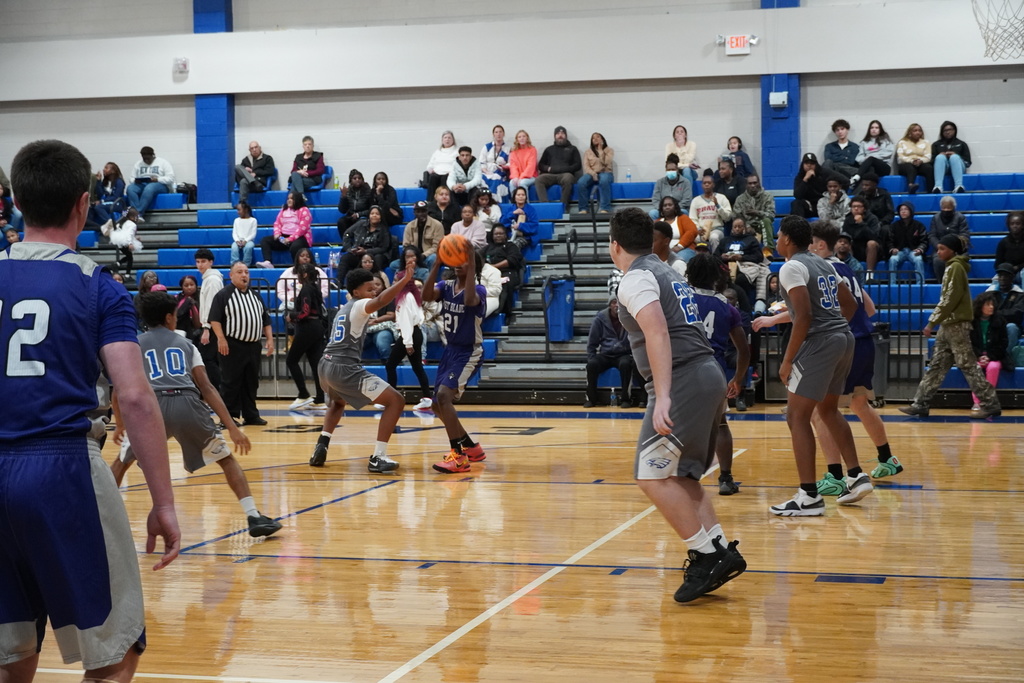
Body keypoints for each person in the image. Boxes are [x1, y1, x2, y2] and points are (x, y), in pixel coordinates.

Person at [0, 138, 179, 683]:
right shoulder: (97, 286)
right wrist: (164, 502)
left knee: (12, 651)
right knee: (115, 651)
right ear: (84, 204)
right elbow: (133, 395)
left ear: (16, 203)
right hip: (62, 469)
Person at [608, 206, 744, 603]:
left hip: (683, 379)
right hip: (706, 374)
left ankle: (705, 556)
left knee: (650, 476)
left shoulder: (634, 280)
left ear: (614, 245)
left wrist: (663, 394)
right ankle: (719, 549)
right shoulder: (669, 270)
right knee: (682, 476)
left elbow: (657, 334)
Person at [110, 292, 281, 537]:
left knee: (121, 462)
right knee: (226, 460)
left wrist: (119, 424)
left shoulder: (134, 345)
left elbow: (118, 391)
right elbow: (207, 387)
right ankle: (253, 516)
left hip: (151, 409)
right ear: (170, 317)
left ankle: (98, 517)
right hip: (187, 403)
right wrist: (231, 426)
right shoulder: (186, 345)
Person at [767, 215, 861, 517]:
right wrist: (835, 332)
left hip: (822, 342)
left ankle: (808, 496)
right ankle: (856, 476)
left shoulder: (791, 267)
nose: (776, 240)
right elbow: (851, 305)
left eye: (779, 235)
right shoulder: (825, 263)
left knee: (796, 416)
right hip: (844, 338)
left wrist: (787, 359)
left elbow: (804, 315)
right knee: (828, 410)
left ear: (788, 240)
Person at [808, 222, 900, 486]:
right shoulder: (846, 268)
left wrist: (774, 318)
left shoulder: (822, 270)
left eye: (810, 242)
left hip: (844, 345)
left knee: (819, 412)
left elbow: (810, 313)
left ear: (819, 245)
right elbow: (869, 308)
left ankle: (835, 476)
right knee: (860, 404)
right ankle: (887, 459)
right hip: (864, 341)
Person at [309, 267, 416, 472]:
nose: (373, 292)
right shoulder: (359, 305)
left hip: (325, 366)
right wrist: (404, 282)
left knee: (337, 403)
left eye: (374, 288)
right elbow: (381, 301)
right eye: (369, 289)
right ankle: (378, 457)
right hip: (343, 368)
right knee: (396, 401)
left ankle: (321, 444)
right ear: (356, 292)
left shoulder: (344, 308)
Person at [900, 234, 1001, 419]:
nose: (938, 252)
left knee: (968, 365)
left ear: (953, 250)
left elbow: (949, 299)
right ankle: (920, 403)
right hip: (948, 325)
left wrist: (932, 322)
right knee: (937, 365)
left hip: (957, 325)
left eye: (942, 249)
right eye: (938, 248)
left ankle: (990, 403)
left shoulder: (955, 267)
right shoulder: (952, 267)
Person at [685, 253, 750, 496]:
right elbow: (744, 350)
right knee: (721, 424)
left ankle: (682, 475)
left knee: (680, 425)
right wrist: (738, 379)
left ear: (689, 275)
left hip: (683, 369)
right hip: (714, 371)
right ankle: (725, 478)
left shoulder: (680, 300)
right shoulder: (727, 307)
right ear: (716, 277)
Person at [422, 250, 488, 474]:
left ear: (473, 266)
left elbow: (469, 301)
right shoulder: (446, 286)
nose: (459, 264)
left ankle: (458, 457)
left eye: (464, 262)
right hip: (449, 351)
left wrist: (471, 262)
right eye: (456, 261)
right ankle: (471, 447)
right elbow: (426, 295)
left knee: (443, 396)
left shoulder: (478, 290)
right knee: (435, 405)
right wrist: (437, 264)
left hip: (469, 352)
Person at [208, 261, 275, 426]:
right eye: (239, 272)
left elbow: (265, 320)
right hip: (232, 344)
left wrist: (270, 340)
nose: (244, 275)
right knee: (230, 382)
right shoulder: (223, 295)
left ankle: (251, 415)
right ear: (231, 275)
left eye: (246, 272)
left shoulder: (255, 295)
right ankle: (228, 417)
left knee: (251, 382)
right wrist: (221, 339)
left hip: (253, 345)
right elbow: (214, 320)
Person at [386, 247, 434, 411]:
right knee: (417, 367)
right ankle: (427, 397)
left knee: (390, 365)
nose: (393, 284)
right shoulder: (412, 296)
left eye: (395, 282)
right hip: (415, 333)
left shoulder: (405, 299)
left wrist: (407, 343)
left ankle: (391, 398)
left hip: (410, 335)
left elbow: (406, 322)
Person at [584, 298, 640, 408]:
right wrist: (591, 357)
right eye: (614, 302)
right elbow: (592, 341)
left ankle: (626, 399)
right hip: (605, 354)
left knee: (626, 364)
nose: (617, 305)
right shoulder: (600, 318)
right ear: (610, 305)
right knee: (591, 365)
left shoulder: (629, 317)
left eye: (619, 303)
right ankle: (591, 398)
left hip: (623, 354)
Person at [285, 263, 326, 410]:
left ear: (305, 274)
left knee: (291, 360)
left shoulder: (306, 289)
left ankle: (303, 394)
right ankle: (320, 399)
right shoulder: (315, 287)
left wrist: (292, 316)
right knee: (315, 364)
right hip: (317, 328)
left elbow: (305, 312)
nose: (297, 277)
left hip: (307, 327)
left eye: (299, 274)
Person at [969, 292, 1009, 414]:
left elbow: (1003, 343)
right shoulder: (972, 321)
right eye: (988, 304)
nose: (991, 307)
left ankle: (988, 400)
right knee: (975, 367)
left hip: (994, 356)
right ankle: (977, 401)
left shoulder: (999, 321)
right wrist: (979, 356)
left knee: (993, 367)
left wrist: (989, 356)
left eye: (992, 304)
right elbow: (969, 343)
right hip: (977, 356)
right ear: (980, 306)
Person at [715, 216, 769, 306]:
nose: (737, 229)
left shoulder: (751, 240)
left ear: (744, 228)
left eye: (739, 226)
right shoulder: (725, 240)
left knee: (741, 279)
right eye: (735, 227)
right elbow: (715, 257)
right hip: (726, 265)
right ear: (732, 228)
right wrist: (722, 257)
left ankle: (745, 306)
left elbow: (758, 257)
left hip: (745, 265)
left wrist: (742, 257)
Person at [257, 191, 313, 268]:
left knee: (295, 247)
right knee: (265, 240)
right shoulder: (284, 209)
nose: (289, 200)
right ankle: (268, 262)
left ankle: (297, 267)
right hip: (284, 238)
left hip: (300, 238)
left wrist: (290, 239)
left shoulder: (304, 210)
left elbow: (303, 228)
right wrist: (277, 233)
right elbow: (277, 223)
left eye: (292, 198)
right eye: (288, 198)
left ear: (297, 199)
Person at [195, 247, 224, 393]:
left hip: (211, 326)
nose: (200, 265)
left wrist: (206, 328)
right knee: (211, 360)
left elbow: (212, 306)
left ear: (211, 262)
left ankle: (217, 393)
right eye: (198, 262)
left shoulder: (212, 280)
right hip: (211, 325)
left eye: (203, 261)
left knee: (208, 360)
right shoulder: (209, 279)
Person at [480, 224, 523, 321]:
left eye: (501, 234)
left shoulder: (511, 246)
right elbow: (478, 258)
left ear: (505, 235)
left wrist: (493, 267)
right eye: (496, 234)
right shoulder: (487, 248)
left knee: (504, 284)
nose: (498, 236)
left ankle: (505, 313)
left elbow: (512, 260)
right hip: (489, 274)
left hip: (507, 273)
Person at [535, 125, 582, 214]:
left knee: (568, 178)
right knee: (538, 179)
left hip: (565, 175)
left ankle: (562, 207)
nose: (560, 135)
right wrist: (548, 168)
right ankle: (546, 207)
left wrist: (566, 169)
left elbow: (578, 165)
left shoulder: (573, 149)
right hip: (551, 174)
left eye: (562, 133)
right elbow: (540, 165)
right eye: (558, 133)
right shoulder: (549, 149)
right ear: (555, 136)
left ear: (566, 136)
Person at [341, 205, 394, 280]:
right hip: (359, 253)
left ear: (381, 217)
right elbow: (347, 234)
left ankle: (374, 281)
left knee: (378, 258)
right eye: (372, 214)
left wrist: (366, 251)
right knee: (345, 257)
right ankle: (338, 283)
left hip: (374, 255)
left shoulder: (384, 230)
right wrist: (349, 249)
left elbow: (383, 248)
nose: (374, 215)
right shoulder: (360, 224)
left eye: (377, 214)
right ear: (369, 216)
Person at [792, 152, 849, 218]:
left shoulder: (825, 172)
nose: (809, 165)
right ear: (803, 165)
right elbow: (797, 195)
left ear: (816, 164)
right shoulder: (800, 177)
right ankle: (797, 226)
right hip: (811, 206)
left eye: (812, 163)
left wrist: (837, 195)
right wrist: (805, 180)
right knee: (796, 203)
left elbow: (846, 181)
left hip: (825, 204)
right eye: (806, 163)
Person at [275, 247, 330, 317]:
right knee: (289, 313)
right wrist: (289, 298)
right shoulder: (288, 272)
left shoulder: (318, 272)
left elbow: (326, 289)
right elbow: (280, 290)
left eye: (308, 256)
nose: (305, 258)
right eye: (302, 256)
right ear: (297, 258)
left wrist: (314, 298)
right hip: (292, 302)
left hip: (313, 303)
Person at [126, 146, 175, 219]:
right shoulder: (138, 164)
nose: (146, 160)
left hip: (160, 185)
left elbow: (170, 178)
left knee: (149, 188)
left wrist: (157, 179)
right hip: (142, 184)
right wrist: (135, 181)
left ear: (153, 155)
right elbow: (131, 178)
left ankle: (138, 213)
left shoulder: (163, 162)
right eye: (144, 158)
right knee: (130, 188)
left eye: (148, 158)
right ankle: (136, 214)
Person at [842, 196, 887, 275]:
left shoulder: (872, 218)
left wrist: (861, 223)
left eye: (859, 206)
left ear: (865, 208)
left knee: (871, 243)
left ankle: (870, 274)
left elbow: (874, 237)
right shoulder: (848, 220)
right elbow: (846, 235)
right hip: (855, 248)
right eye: (853, 206)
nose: (856, 209)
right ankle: (850, 273)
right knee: (846, 243)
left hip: (871, 250)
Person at [732, 174, 776, 254]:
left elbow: (771, 215)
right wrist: (746, 226)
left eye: (755, 183)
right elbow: (736, 216)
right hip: (746, 228)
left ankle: (768, 251)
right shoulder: (740, 199)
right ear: (746, 185)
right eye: (750, 183)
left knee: (766, 221)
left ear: (759, 183)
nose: (753, 185)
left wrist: (757, 213)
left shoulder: (767, 196)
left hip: (762, 227)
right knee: (738, 226)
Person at [929, 196, 970, 281]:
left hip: (957, 250)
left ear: (954, 208)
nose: (946, 210)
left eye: (949, 208)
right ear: (941, 208)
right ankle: (941, 284)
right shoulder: (935, 218)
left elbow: (964, 235)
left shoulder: (960, 218)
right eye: (944, 208)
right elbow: (932, 235)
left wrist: (954, 247)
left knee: (958, 261)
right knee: (938, 260)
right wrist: (940, 247)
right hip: (940, 250)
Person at [689, 174, 732, 253]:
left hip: (717, 229)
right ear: (702, 185)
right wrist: (698, 229)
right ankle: (699, 261)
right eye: (704, 183)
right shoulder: (696, 200)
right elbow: (692, 219)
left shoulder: (721, 198)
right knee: (696, 238)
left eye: (709, 183)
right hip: (701, 230)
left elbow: (728, 217)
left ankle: (715, 261)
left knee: (714, 237)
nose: (707, 185)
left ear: (713, 185)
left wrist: (718, 205)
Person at [887, 201, 929, 284]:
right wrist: (892, 249)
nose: (903, 211)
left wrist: (920, 249)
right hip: (900, 251)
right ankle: (892, 284)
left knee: (918, 259)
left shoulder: (918, 225)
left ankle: (920, 284)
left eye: (905, 209)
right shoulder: (894, 226)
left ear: (911, 211)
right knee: (892, 259)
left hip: (913, 251)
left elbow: (924, 241)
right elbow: (889, 240)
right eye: (901, 210)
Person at [986, 262, 1024, 351]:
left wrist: (995, 314)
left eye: (1006, 276)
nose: (1002, 278)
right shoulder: (990, 293)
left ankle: (1005, 356)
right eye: (1000, 276)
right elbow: (983, 311)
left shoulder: (1020, 294)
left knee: (1011, 327)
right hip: (993, 323)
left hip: (1010, 324)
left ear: (1012, 278)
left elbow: (1016, 314)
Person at [576, 132, 614, 214]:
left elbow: (606, 163)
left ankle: (605, 208)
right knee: (581, 182)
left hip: (606, 172)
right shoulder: (588, 152)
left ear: (602, 139)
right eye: (593, 138)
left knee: (603, 180)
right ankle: (583, 209)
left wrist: (600, 151)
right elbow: (586, 166)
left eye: (598, 137)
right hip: (592, 173)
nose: (595, 139)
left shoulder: (609, 150)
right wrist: (593, 174)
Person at [850, 120, 895, 190]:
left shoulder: (886, 141)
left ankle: (857, 176)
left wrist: (871, 158)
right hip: (870, 166)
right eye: (872, 128)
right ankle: (867, 191)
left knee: (871, 159)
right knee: (870, 168)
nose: (874, 129)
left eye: (876, 128)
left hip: (884, 167)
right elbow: (858, 158)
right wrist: (865, 159)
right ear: (869, 129)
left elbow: (887, 154)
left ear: (880, 130)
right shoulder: (864, 143)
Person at [103, 207, 143, 279]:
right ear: (131, 217)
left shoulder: (126, 222)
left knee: (128, 256)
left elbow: (127, 233)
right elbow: (129, 234)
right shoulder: (133, 225)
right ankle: (127, 274)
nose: (137, 218)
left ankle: (118, 264)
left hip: (121, 241)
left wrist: (135, 238)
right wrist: (130, 243)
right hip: (125, 242)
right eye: (135, 216)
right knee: (130, 258)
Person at [402, 200, 445, 268]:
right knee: (394, 265)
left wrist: (423, 255)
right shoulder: (409, 226)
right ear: (414, 213)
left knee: (433, 258)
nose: (420, 214)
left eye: (423, 211)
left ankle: (429, 278)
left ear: (427, 211)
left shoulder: (437, 225)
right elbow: (406, 245)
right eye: (418, 211)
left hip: (429, 256)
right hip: (414, 257)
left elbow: (437, 247)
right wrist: (413, 256)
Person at [932, 121, 971, 194]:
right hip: (943, 168)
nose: (948, 132)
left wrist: (956, 156)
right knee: (940, 157)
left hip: (958, 167)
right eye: (945, 130)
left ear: (954, 130)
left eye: (950, 130)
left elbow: (968, 163)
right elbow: (931, 161)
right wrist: (941, 155)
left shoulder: (961, 144)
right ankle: (938, 187)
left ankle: (958, 186)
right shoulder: (936, 145)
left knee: (954, 157)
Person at [649, 153, 693, 219]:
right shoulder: (659, 182)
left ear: (677, 170)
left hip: (679, 209)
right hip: (663, 209)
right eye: (669, 170)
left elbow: (687, 200)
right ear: (666, 171)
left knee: (684, 212)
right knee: (653, 213)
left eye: (673, 169)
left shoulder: (686, 182)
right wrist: (663, 209)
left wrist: (674, 209)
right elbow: (655, 199)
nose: (671, 171)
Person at [895, 123, 933, 195]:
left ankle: (930, 191)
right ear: (910, 132)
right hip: (906, 165)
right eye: (915, 130)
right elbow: (900, 157)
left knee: (929, 168)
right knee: (910, 167)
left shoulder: (926, 142)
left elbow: (928, 157)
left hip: (920, 164)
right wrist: (912, 161)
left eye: (919, 130)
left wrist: (920, 161)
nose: (917, 132)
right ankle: (911, 185)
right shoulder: (902, 142)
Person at [336, 168, 373, 239]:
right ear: (350, 181)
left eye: (359, 178)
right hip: (351, 216)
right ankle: (346, 241)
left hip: (364, 216)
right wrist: (343, 196)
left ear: (362, 180)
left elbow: (371, 209)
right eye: (354, 178)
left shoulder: (368, 191)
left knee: (362, 222)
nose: (357, 180)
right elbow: (342, 210)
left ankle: (360, 243)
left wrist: (359, 214)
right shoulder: (348, 191)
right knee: (341, 222)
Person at [89, 161, 126, 231]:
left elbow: (116, 197)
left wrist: (102, 201)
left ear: (113, 171)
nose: (104, 169)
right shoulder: (105, 182)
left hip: (117, 204)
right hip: (107, 203)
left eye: (106, 168)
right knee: (91, 208)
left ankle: (111, 223)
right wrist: (99, 181)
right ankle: (95, 228)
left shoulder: (119, 182)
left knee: (98, 207)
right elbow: (100, 194)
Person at [501, 185, 540, 251]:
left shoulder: (531, 210)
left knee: (514, 246)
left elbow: (534, 225)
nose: (521, 197)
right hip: (510, 235)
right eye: (518, 195)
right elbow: (502, 222)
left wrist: (520, 226)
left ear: (525, 197)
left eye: (523, 195)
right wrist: (512, 213)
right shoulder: (510, 209)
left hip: (525, 236)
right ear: (514, 197)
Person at [479, 124, 511, 202]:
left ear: (504, 134)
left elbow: (510, 163)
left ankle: (493, 201)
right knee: (481, 180)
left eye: (500, 132)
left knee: (496, 181)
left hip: (500, 173)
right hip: (487, 172)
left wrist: (503, 167)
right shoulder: (487, 146)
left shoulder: (508, 149)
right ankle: (483, 201)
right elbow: (482, 162)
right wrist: (486, 171)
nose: (498, 134)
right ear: (493, 134)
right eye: (496, 132)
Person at [425, 130, 459, 199]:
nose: (447, 140)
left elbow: (459, 166)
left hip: (449, 174)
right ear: (442, 140)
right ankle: (430, 201)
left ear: (453, 140)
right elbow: (430, 165)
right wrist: (431, 170)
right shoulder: (437, 152)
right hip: (437, 173)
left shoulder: (457, 152)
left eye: (449, 138)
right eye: (445, 138)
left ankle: (445, 200)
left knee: (445, 178)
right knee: (432, 177)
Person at [994, 211, 1024, 283]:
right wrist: (1006, 269)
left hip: (1022, 272)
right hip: (1008, 272)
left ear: (1023, 225)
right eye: (1012, 224)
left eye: (1018, 224)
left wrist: (1017, 267)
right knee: (996, 280)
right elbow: (997, 264)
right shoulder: (1003, 242)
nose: (1015, 226)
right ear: (1009, 225)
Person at [508, 129, 538, 194]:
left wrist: (521, 178)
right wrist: (516, 177)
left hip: (531, 176)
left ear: (527, 138)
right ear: (517, 140)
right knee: (512, 183)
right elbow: (513, 166)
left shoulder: (532, 150)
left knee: (522, 183)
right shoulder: (513, 151)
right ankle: (514, 203)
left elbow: (531, 167)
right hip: (518, 177)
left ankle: (525, 203)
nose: (522, 138)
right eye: (519, 137)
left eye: (524, 136)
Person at [175, 274, 202, 342]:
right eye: (186, 285)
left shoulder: (202, 297)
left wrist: (192, 305)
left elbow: (198, 324)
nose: (189, 287)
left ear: (196, 285)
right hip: (182, 330)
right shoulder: (177, 299)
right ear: (182, 287)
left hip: (200, 330)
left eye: (192, 285)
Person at [231, 200, 257, 266]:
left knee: (249, 247)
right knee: (234, 247)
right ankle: (234, 264)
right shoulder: (236, 220)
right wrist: (237, 241)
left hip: (248, 241)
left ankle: (246, 264)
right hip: (238, 240)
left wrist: (246, 241)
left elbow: (253, 234)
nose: (238, 212)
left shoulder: (253, 220)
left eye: (239, 210)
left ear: (246, 210)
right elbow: (234, 233)